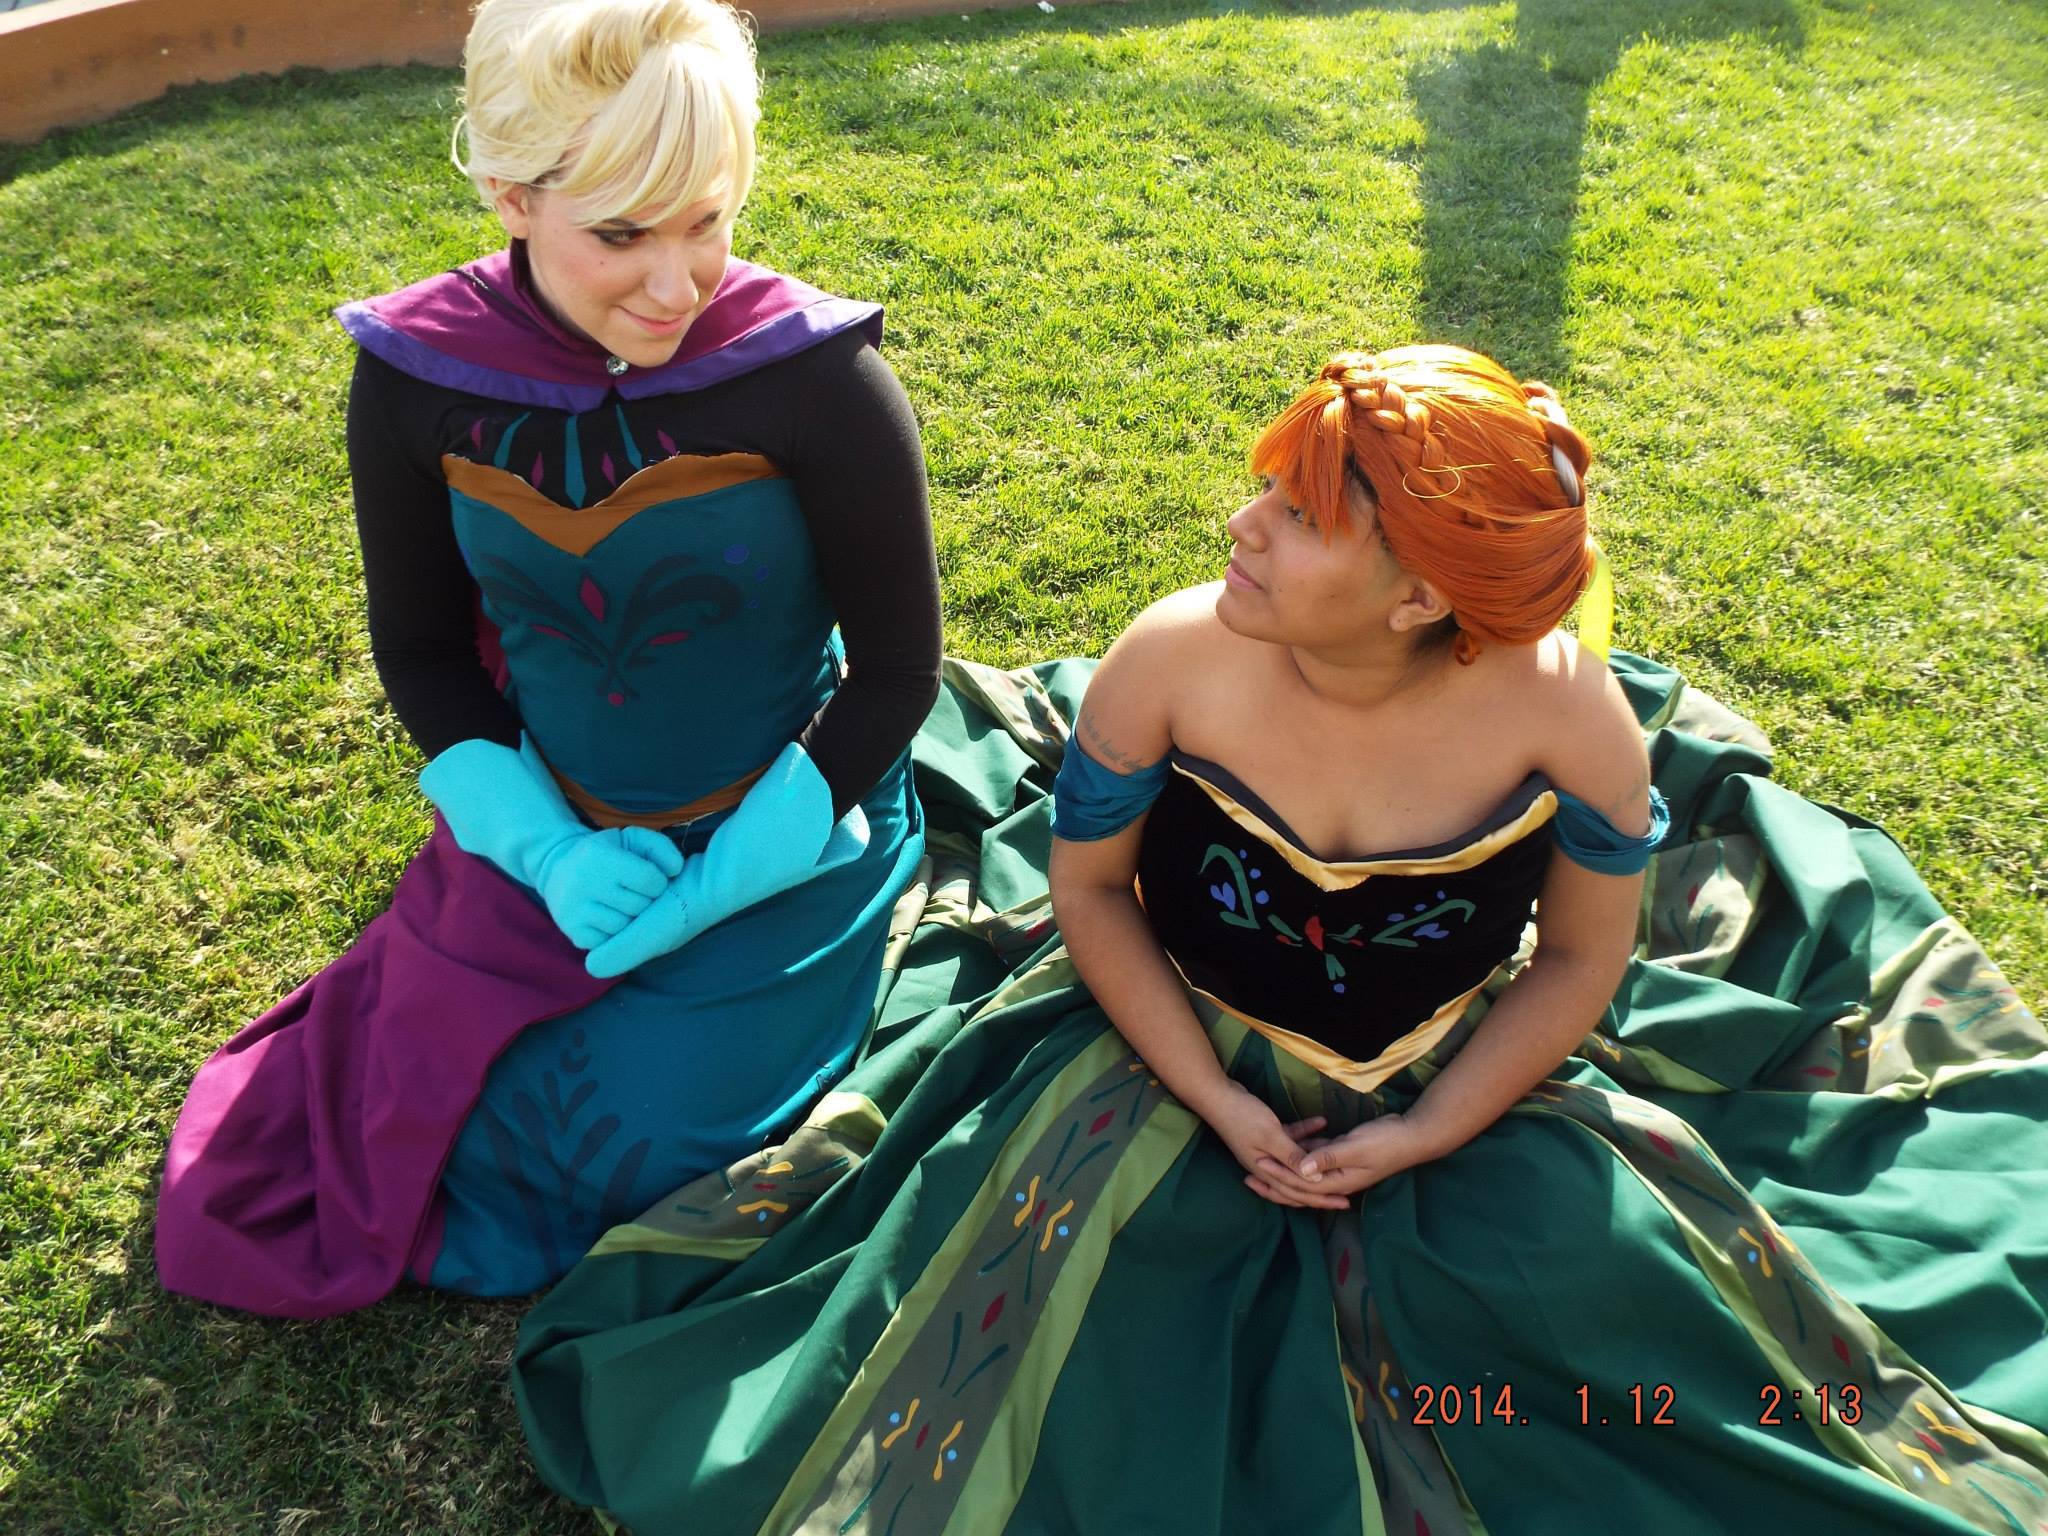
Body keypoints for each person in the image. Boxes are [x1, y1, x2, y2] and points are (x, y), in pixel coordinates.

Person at [511, 344, 2048, 1533]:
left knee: (1632, 1351)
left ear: (1419, 597)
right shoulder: (1174, 660)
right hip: (1153, 1045)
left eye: (1298, 517)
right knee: (1081, 1369)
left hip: (1459, 1079)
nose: (1240, 525)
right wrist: (1217, 1097)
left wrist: (1430, 1127)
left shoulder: (1568, 716)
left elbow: (1584, 962)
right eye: (1266, 489)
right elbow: (1090, 895)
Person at [154, 0, 939, 1312]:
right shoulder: (417, 377)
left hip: (798, 829)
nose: (678, 283)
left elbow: (901, 671)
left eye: (707, 218)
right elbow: (419, 647)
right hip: (548, 832)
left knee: (640, 1148)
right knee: (439, 1119)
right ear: (512, 197)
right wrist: (543, 848)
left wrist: (753, 854)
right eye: (622, 233)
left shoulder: (816, 377)